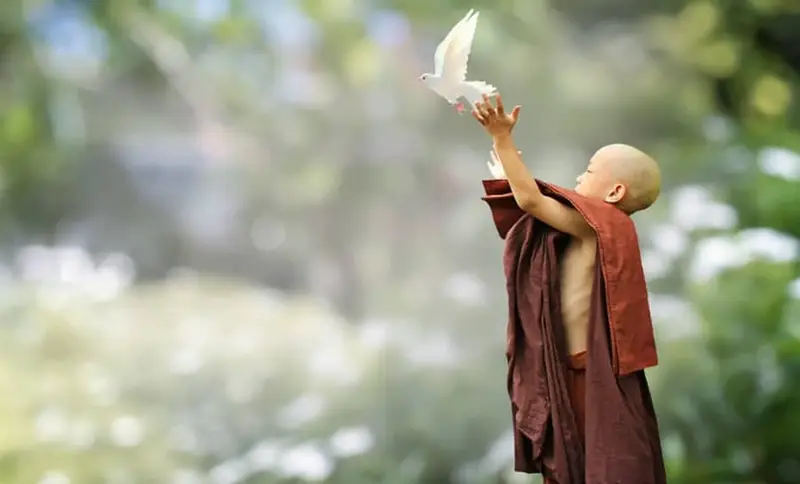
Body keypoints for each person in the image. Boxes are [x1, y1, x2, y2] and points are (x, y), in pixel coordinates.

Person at [472, 94, 667, 483]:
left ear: (614, 194)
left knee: (603, 466)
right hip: (566, 374)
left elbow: (530, 200)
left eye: (589, 170)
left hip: (589, 379)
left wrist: (502, 139)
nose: (578, 178)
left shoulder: (602, 228)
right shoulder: (588, 230)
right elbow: (532, 199)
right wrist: (510, 168)